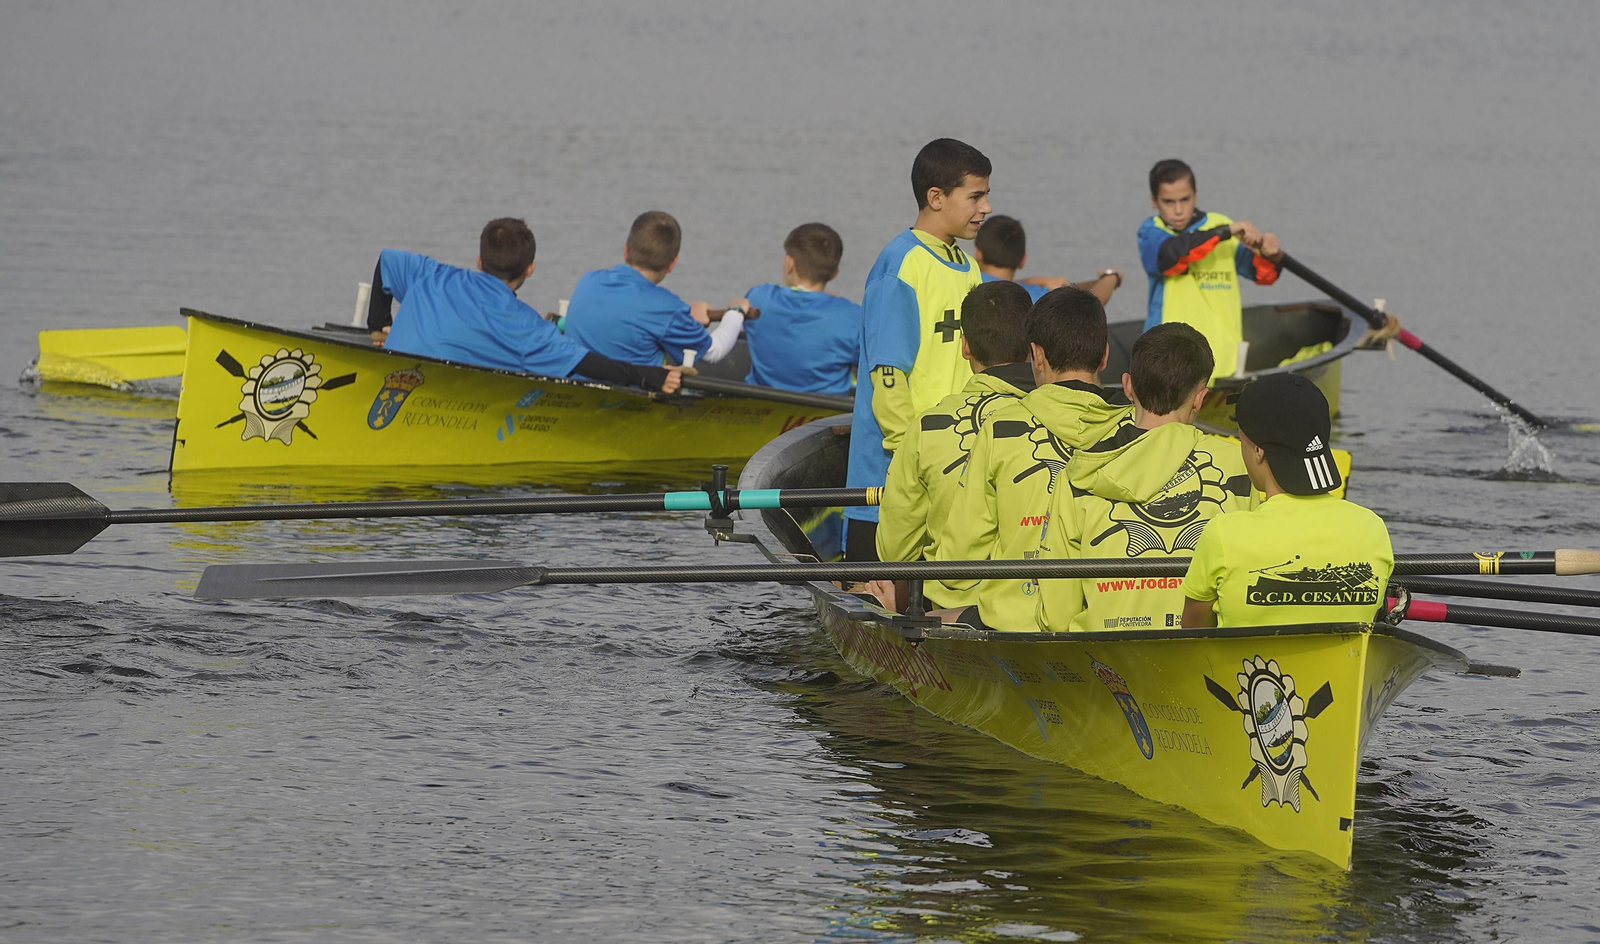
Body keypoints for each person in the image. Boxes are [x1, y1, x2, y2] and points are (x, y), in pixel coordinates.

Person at [1035, 322, 1252, 632]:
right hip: (1204, 656)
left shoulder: (1078, 475)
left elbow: (1055, 615)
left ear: (1127, 387)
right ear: (1200, 398)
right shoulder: (1239, 466)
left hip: (1102, 662)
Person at [950, 286, 1134, 632]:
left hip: (1015, 619)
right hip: (1109, 613)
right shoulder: (1134, 425)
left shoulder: (1000, 428)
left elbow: (964, 547)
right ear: (1105, 357)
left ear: (1036, 355)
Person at [845, 137, 992, 561]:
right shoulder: (901, 264)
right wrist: (916, 459)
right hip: (896, 473)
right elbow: (888, 379)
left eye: (986, 196)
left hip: (953, 465)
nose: (986, 208)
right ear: (936, 197)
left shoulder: (969, 266)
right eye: (976, 196)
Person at [366, 218, 680, 393]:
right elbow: (588, 364)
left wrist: (378, 324)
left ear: (479, 259)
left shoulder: (430, 275)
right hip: (435, 398)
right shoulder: (526, 327)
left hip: (395, 382)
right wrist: (648, 375)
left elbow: (387, 260)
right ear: (530, 269)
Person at [1182, 372, 1393, 628]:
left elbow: (1194, 635)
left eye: (1241, 439)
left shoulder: (1223, 534)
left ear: (1258, 450)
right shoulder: (1372, 529)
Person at [876, 280, 1036, 609]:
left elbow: (894, 553)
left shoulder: (926, 427)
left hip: (954, 607)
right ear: (1034, 346)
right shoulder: (1066, 418)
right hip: (1041, 606)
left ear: (965, 346)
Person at [1137, 159, 1283, 380]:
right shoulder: (1151, 233)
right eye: (1168, 202)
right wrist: (1223, 233)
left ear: (1195, 196)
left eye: (1184, 200)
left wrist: (1269, 255)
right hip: (1167, 364)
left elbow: (1264, 276)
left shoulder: (1221, 224)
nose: (1178, 210)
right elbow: (1171, 257)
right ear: (1154, 201)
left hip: (1222, 365)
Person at [564, 211, 748, 368]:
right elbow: (712, 352)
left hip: (580, 384)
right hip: (630, 396)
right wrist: (736, 312)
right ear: (672, 263)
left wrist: (686, 319)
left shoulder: (588, 280)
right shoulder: (667, 308)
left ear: (626, 250)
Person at [741, 223, 862, 395]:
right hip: (824, 414)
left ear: (789, 263)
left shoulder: (758, 298)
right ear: (835, 273)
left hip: (762, 405)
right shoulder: (853, 317)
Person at [974, 215, 1122, 306]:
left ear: (977, 253)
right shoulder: (1035, 296)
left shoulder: (965, 282)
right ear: (1023, 260)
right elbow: (1092, 302)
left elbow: (998, 284)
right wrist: (1111, 278)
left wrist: (1035, 280)